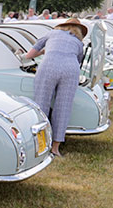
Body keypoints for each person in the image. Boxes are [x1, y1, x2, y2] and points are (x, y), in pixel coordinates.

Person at [22, 17, 86, 157]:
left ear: (62, 26)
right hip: (71, 69)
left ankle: (40, 144)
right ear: (79, 31)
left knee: (41, 103)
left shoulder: (51, 34)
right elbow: (78, 60)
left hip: (49, 65)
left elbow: (29, 55)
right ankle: (55, 148)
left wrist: (45, 52)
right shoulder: (78, 42)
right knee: (63, 106)